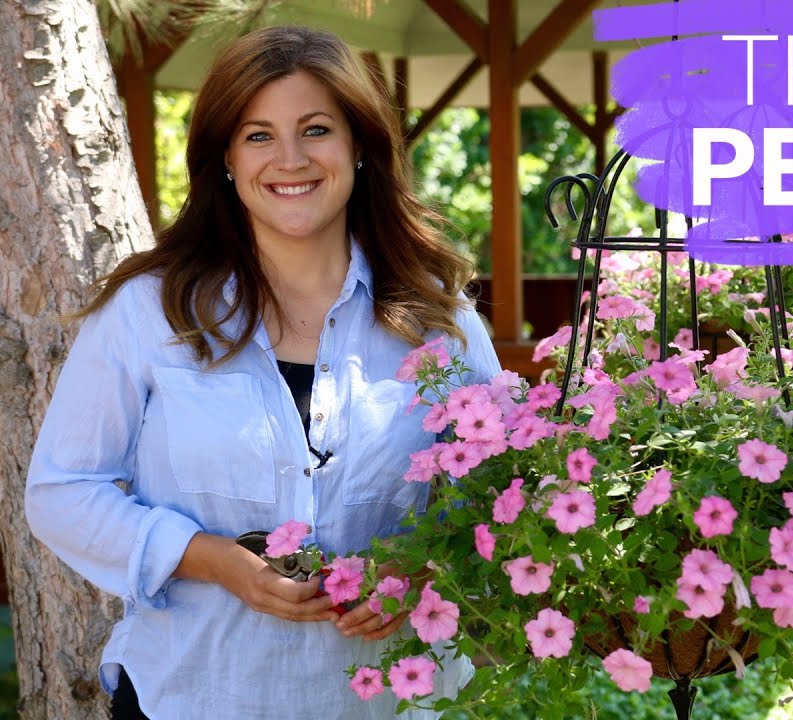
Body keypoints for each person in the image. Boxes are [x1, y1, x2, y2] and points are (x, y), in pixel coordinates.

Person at [24, 25, 499, 719]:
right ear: (223, 157)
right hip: (195, 694)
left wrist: (427, 568)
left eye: (315, 129)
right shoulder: (148, 312)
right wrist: (208, 558)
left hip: (395, 704)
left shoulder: (436, 315)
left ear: (359, 147)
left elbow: (502, 487)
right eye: (258, 135)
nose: (290, 159)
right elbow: (61, 491)